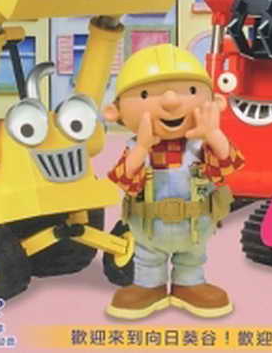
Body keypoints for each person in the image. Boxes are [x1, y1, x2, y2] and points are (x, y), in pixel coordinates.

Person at [104, 44, 244, 319]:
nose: (170, 102)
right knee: (147, 257)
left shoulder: (201, 147)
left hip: (195, 227)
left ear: (216, 103)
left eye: (190, 91)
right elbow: (125, 179)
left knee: (193, 257)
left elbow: (227, 164)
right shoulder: (135, 148)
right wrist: (142, 148)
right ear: (115, 112)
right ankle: (149, 287)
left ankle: (189, 284)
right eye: (145, 95)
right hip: (148, 227)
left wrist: (213, 134)